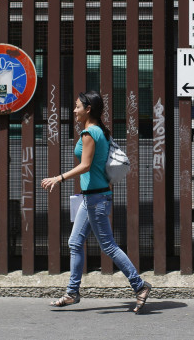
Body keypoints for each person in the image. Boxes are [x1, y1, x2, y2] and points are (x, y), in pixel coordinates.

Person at [41, 90, 152, 313]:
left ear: (88, 109)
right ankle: (72, 292)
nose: (74, 110)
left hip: (96, 199)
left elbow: (86, 165)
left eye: (77, 107)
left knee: (108, 246)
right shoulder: (101, 130)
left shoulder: (89, 134)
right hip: (92, 197)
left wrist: (58, 178)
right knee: (75, 243)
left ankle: (140, 285)